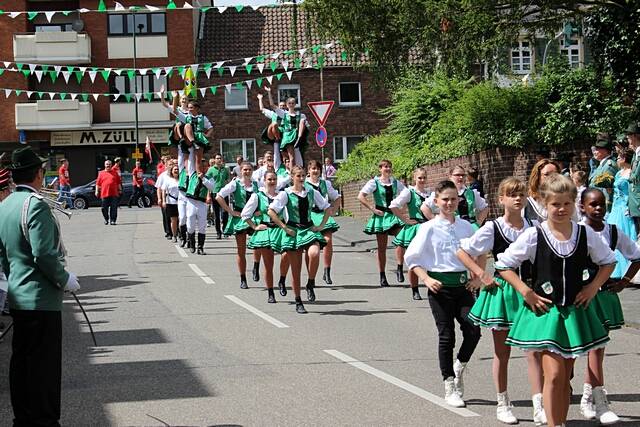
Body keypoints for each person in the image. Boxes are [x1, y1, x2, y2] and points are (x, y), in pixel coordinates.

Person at [495, 175, 616, 427]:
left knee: (563, 379)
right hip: (546, 313)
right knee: (554, 374)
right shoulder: (534, 235)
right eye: (555, 204)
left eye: (566, 204)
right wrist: (525, 291)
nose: (561, 209)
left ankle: (559, 422)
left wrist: (593, 287)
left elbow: (608, 261)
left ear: (574, 204)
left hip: (574, 313)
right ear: (544, 205)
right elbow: (503, 264)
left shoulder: (584, 234)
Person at [0, 146, 80, 427]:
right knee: (44, 365)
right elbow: (44, 254)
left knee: (21, 361)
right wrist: (64, 279)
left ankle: (23, 416)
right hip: (41, 298)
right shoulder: (34, 205)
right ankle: (43, 419)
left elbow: (3, 255)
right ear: (38, 173)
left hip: (18, 295)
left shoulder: (5, 204)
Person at [456, 177, 546, 425]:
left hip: (529, 289)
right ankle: (502, 402)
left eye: (521, 194)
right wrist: (482, 275)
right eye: (512, 194)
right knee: (502, 352)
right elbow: (463, 251)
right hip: (505, 291)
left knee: (534, 351)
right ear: (501, 199)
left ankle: (539, 404)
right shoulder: (492, 228)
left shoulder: (534, 226)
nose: (518, 198)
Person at [404, 180, 481, 408]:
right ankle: (449, 383)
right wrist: (426, 279)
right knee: (447, 335)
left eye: (453, 199)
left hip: (463, 286)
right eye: (445, 199)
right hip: (440, 288)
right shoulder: (428, 228)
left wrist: (476, 277)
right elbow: (412, 259)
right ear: (436, 202)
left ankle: (459, 366)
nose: (449, 203)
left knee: (473, 330)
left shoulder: (466, 227)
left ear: (459, 201)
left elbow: (479, 251)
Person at [578, 188, 640, 425]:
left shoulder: (612, 231)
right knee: (574, 349)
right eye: (593, 204)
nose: (598, 208)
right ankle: (562, 394)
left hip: (603, 295)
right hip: (580, 296)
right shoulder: (577, 231)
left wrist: (624, 280)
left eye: (602, 204)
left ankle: (591, 396)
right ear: (582, 207)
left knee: (598, 348)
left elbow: (636, 255)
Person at [268, 166, 330, 312]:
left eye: (303, 176)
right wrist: (284, 227)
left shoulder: (311, 192)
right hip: (293, 231)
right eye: (298, 176)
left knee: (314, 253)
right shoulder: (286, 194)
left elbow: (327, 207)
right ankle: (298, 300)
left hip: (308, 229)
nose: (301, 179)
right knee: (296, 268)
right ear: (292, 177)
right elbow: (271, 211)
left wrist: (321, 226)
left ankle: (310, 282)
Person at [358, 160, 406, 287]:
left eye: (389, 167)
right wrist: (372, 209)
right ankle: (382, 275)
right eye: (385, 167)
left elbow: (408, 194)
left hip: (394, 215)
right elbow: (361, 196)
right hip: (381, 216)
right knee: (382, 248)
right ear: (380, 169)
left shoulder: (396, 183)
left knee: (401, 239)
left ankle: (400, 267)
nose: (388, 169)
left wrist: (402, 209)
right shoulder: (374, 182)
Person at [390, 167, 430, 301]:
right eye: (420, 178)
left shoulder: (431, 193)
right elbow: (394, 205)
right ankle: (415, 289)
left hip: (429, 227)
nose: (422, 180)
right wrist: (405, 219)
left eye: (424, 177)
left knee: (431, 259)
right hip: (416, 227)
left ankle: (432, 287)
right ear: (415, 178)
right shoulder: (410, 192)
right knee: (414, 258)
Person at [216, 162, 259, 288]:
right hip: (240, 217)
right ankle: (243, 278)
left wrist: (260, 210)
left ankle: (256, 265)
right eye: (245, 169)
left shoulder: (256, 184)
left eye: (249, 169)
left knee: (259, 244)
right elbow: (219, 196)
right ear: (240, 170)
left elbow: (265, 196)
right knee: (241, 250)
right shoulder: (235, 184)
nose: (247, 172)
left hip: (255, 217)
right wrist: (230, 211)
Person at [242, 171, 282, 303]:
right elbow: (245, 214)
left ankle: (282, 279)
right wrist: (254, 227)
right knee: (268, 264)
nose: (272, 181)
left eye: (274, 179)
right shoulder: (257, 196)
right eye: (269, 179)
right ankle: (271, 292)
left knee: (288, 255)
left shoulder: (282, 195)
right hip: (265, 230)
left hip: (280, 230)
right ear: (264, 181)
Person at [305, 160, 341, 285]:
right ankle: (311, 274)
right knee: (309, 245)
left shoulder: (325, 183)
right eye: (313, 168)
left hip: (323, 214)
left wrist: (334, 211)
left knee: (328, 241)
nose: (315, 171)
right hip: (310, 215)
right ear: (308, 171)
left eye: (317, 169)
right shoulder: (304, 184)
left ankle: (327, 271)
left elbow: (336, 197)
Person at [423, 165, 489, 231]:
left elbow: (485, 208)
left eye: (463, 175)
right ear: (450, 176)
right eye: (457, 175)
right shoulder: (442, 192)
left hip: (470, 229)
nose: (461, 177)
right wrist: (437, 224)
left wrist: (478, 223)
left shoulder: (472, 193)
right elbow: (424, 207)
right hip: (451, 229)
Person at [607, 148, 636, 278]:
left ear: (624, 158)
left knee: (625, 234)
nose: (617, 160)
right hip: (615, 206)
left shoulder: (631, 173)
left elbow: (631, 192)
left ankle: (628, 269)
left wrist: (629, 207)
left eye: (619, 158)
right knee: (612, 236)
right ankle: (615, 269)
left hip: (624, 206)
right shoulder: (619, 173)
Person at [265, 87, 308, 167]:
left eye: (293, 103)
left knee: (298, 157)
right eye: (289, 103)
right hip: (288, 135)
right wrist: (269, 92)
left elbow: (307, 126)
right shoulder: (284, 114)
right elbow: (272, 105)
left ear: (295, 104)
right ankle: (292, 174)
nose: (291, 105)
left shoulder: (301, 115)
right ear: (287, 105)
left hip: (297, 135)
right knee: (291, 157)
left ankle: (299, 138)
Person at [589, 134, 619, 214]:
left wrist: (606, 210)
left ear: (605, 151)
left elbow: (608, 191)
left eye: (597, 149)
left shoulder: (609, 166)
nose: (595, 152)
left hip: (605, 210)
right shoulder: (602, 164)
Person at [206, 153, 230, 240]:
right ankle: (218, 232)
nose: (219, 160)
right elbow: (207, 183)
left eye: (220, 158)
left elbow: (228, 181)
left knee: (225, 213)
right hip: (214, 193)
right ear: (215, 160)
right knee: (216, 214)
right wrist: (208, 195)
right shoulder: (211, 170)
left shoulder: (225, 169)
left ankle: (225, 230)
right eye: (217, 158)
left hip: (224, 194)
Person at [95, 160, 122, 225]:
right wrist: (96, 191)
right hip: (104, 193)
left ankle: (113, 220)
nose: (108, 165)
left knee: (114, 208)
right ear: (105, 165)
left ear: (111, 165)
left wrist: (120, 190)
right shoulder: (101, 173)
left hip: (114, 193)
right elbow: (97, 184)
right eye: (107, 164)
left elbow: (118, 183)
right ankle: (106, 219)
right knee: (104, 208)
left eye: (109, 164)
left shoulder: (115, 173)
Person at [626, 122, 640, 237]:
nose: (627, 138)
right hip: (635, 202)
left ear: (635, 136)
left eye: (629, 135)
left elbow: (635, 176)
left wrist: (629, 177)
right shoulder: (636, 154)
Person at [155, 160, 173, 239]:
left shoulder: (177, 175)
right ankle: (168, 232)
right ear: (166, 166)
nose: (171, 166)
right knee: (166, 215)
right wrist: (159, 199)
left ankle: (176, 231)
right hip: (165, 197)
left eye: (172, 164)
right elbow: (159, 188)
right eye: (169, 164)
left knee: (175, 216)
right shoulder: (162, 176)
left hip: (175, 198)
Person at [162, 164, 180, 242]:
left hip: (181, 202)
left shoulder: (182, 180)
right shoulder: (168, 180)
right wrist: (163, 201)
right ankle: (174, 235)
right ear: (172, 171)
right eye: (175, 169)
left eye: (177, 169)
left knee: (182, 219)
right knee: (174, 220)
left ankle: (181, 234)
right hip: (171, 202)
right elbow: (163, 190)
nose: (176, 171)